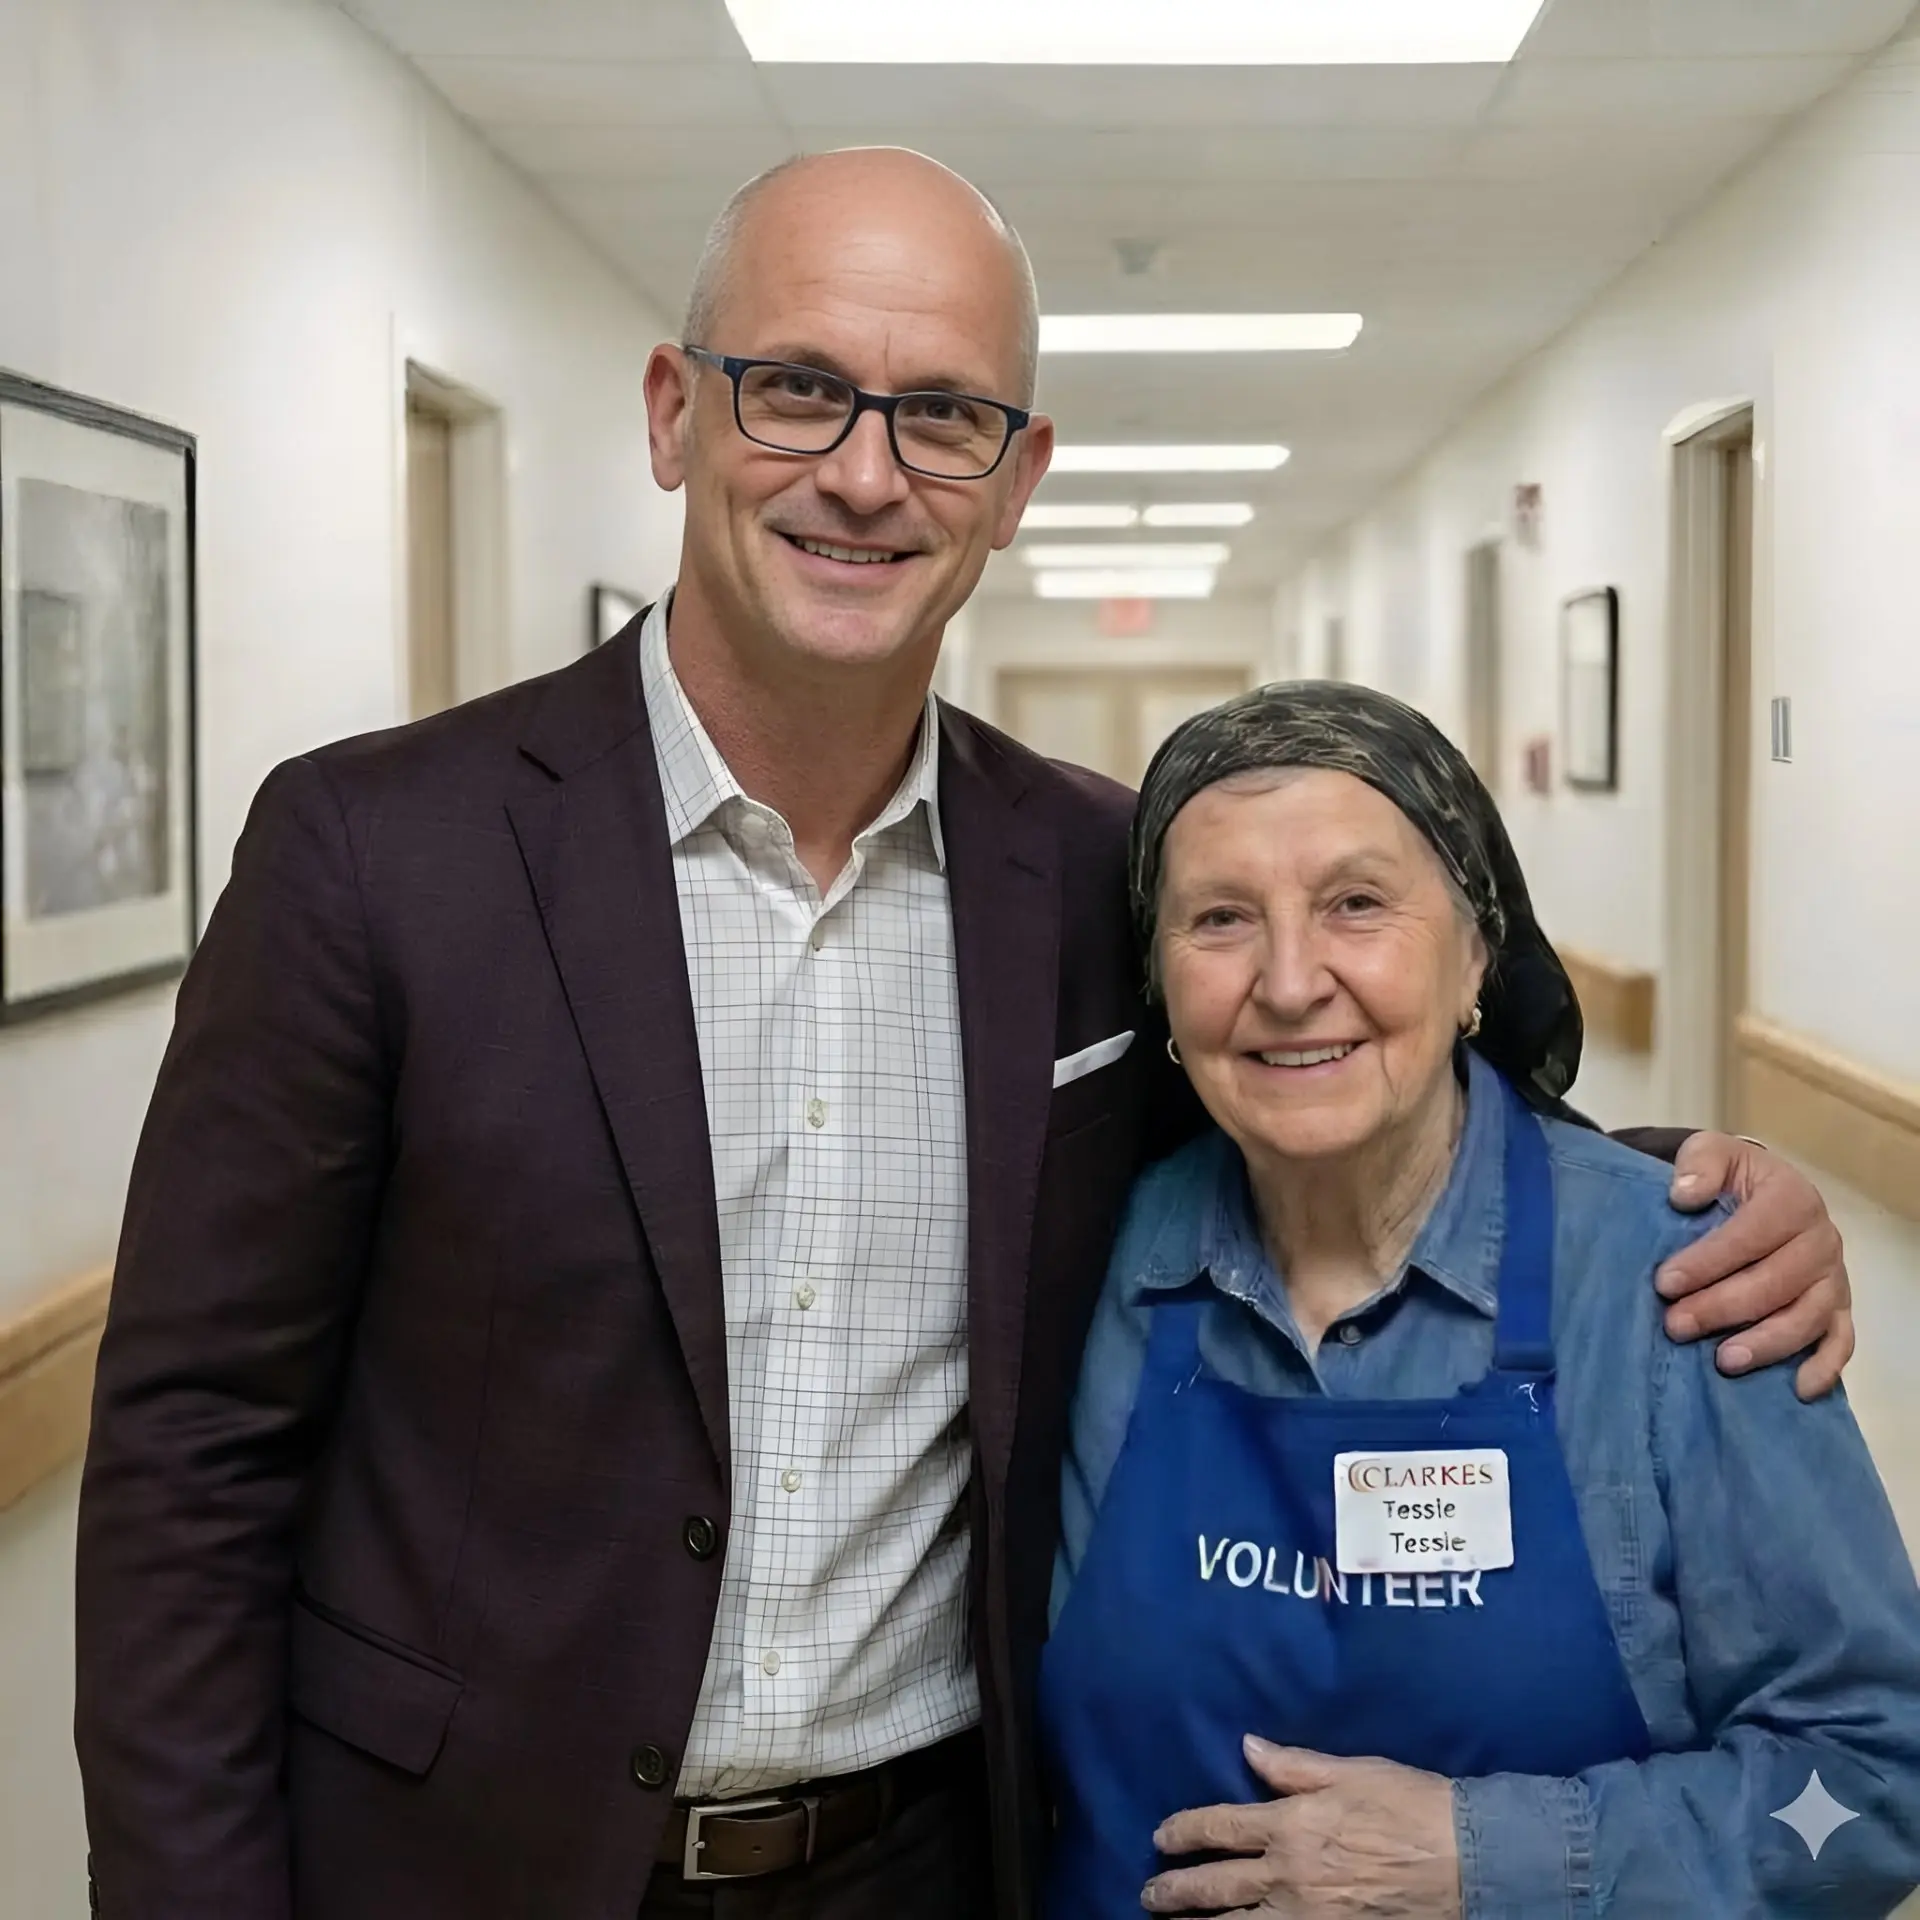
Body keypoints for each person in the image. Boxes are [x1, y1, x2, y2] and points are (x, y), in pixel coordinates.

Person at [75, 149, 1852, 1920]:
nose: (865, 473)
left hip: (933, 1863)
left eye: (944, 416)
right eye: (797, 392)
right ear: (671, 413)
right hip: (468, 1861)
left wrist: (1679, 1195)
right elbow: (192, 1455)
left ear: (1018, 481)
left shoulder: (1093, 877)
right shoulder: (376, 852)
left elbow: (1314, 1080)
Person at [1041, 681, 1920, 1919]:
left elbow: (1875, 1774)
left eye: (1357, 904)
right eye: (1221, 919)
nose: (1291, 981)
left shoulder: (1683, 1285)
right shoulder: (1079, 1262)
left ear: (1474, 953)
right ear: (1160, 989)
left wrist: (1488, 1856)